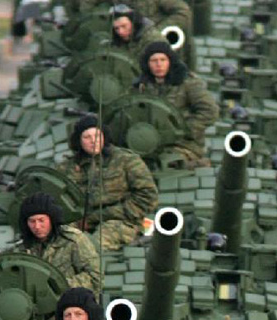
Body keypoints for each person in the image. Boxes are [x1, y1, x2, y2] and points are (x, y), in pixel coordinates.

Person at [58, 113, 157, 252]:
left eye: (97, 136)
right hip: (79, 222)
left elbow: (148, 197)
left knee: (91, 247)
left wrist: (98, 216)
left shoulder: (126, 160)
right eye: (87, 137)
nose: (93, 141)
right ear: (78, 141)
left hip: (121, 221)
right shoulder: (67, 167)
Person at [136, 39, 219, 168]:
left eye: (163, 60)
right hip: (149, 143)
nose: (159, 64)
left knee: (167, 165)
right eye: (154, 61)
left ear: (170, 61)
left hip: (183, 145)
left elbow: (210, 111)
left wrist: (184, 130)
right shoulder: (142, 86)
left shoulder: (188, 83)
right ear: (147, 64)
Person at [17, 192, 101, 292]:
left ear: (51, 219)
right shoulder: (23, 246)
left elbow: (96, 277)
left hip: (69, 298)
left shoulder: (73, 240)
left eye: (41, 220)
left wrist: (59, 285)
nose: (37, 226)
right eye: (32, 221)